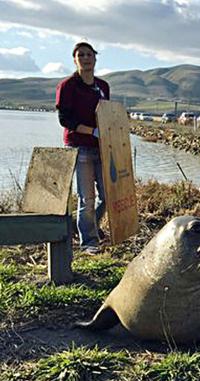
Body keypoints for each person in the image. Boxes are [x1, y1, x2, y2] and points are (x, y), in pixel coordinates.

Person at [55, 42, 110, 255]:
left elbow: (106, 114)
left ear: (95, 59)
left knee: (107, 196)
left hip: (102, 148)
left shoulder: (103, 86)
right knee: (86, 197)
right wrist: (91, 131)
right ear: (75, 59)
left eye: (89, 54)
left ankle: (90, 228)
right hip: (79, 148)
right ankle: (89, 241)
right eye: (81, 55)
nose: (85, 58)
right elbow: (65, 119)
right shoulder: (68, 85)